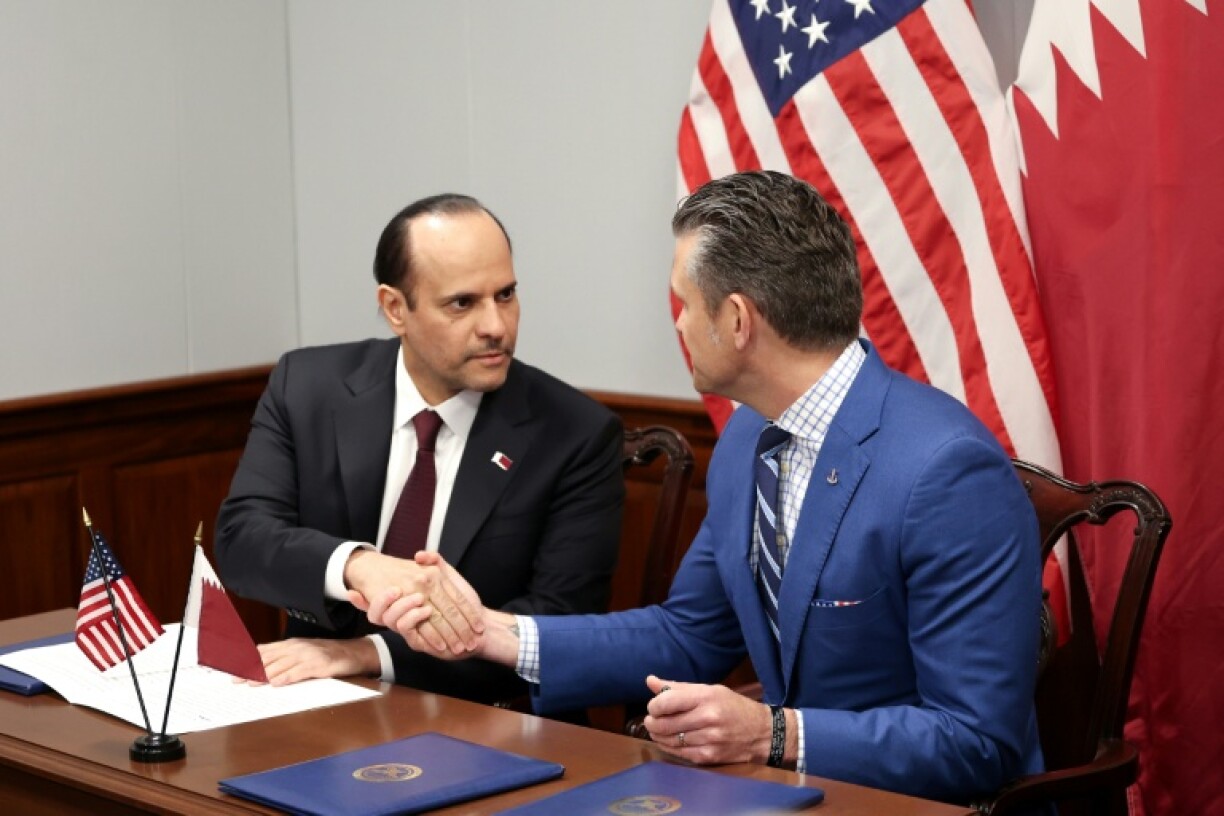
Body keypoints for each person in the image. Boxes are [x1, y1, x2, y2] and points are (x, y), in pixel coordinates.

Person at [363, 172, 1046, 804]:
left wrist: (772, 734)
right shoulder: (750, 438)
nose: (681, 324)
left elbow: (976, 743)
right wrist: (490, 632)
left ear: (739, 321)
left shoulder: (947, 472)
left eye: (685, 304)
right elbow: (689, 636)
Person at [214, 193, 624, 704]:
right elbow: (242, 539)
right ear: (394, 308)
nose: (496, 326)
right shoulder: (309, 387)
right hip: (309, 701)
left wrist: (367, 654)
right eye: (462, 303)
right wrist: (360, 565)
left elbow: (556, 620)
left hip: (482, 717)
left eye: (506, 294)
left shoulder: (575, 433)